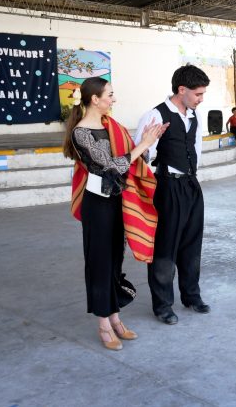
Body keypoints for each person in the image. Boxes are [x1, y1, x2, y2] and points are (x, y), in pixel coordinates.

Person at [64, 77, 166, 350]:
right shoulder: (81, 133)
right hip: (97, 206)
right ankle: (104, 325)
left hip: (116, 200)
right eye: (109, 94)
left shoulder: (111, 126)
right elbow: (110, 166)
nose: (113, 99)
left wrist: (148, 141)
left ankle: (115, 317)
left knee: (114, 261)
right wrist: (143, 144)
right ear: (94, 99)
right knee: (100, 263)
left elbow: (129, 160)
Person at [135, 64, 211, 326]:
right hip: (167, 187)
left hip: (191, 185)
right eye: (198, 94)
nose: (201, 99)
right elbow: (142, 155)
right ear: (182, 90)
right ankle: (163, 304)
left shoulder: (194, 116)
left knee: (192, 245)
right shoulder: (155, 115)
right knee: (164, 249)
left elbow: (197, 148)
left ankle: (191, 295)